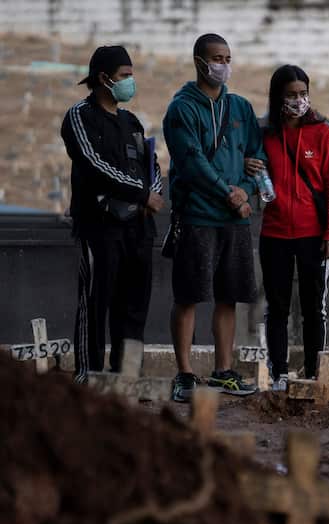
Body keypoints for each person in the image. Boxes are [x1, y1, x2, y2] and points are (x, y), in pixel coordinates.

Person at [163, 32, 264, 401]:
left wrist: (248, 192)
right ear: (199, 62)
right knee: (188, 295)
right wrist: (230, 193)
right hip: (198, 216)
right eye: (216, 58)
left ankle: (223, 370)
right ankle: (185, 373)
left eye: (227, 57)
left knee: (228, 296)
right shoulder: (182, 109)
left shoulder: (240, 108)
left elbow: (257, 156)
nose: (223, 65)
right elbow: (192, 163)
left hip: (236, 219)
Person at [60, 45, 165, 381]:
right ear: (104, 78)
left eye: (131, 76)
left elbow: (152, 165)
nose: (129, 83)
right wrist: (141, 193)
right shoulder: (80, 116)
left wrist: (154, 192)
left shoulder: (131, 121)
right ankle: (88, 376)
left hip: (138, 228)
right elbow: (93, 164)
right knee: (95, 304)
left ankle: (128, 378)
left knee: (134, 308)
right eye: (124, 76)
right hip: (100, 226)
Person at [249, 64, 329, 389]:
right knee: (276, 309)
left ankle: (314, 375)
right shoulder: (265, 134)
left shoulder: (322, 132)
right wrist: (249, 168)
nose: (298, 100)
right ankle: (278, 374)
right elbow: (255, 177)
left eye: (303, 93)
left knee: (313, 309)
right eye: (291, 95)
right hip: (274, 234)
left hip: (313, 235)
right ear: (278, 96)